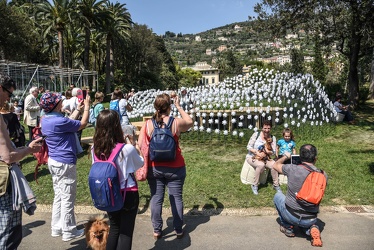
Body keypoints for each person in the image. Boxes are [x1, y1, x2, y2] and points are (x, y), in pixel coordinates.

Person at [138, 93, 193, 240]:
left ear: (155, 107)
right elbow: (190, 121)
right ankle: (178, 229)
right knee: (176, 198)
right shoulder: (176, 123)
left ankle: (157, 230)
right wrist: (179, 106)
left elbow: (140, 144)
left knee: (156, 198)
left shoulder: (148, 124)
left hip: (155, 167)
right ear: (169, 107)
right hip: (176, 166)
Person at [39, 92, 90, 242]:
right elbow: (82, 124)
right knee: (68, 197)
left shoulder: (47, 119)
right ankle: (69, 230)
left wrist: (78, 109)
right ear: (55, 105)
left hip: (54, 161)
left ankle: (56, 227)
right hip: (65, 163)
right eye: (60, 101)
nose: (62, 103)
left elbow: (69, 121)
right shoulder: (58, 121)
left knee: (59, 195)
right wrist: (87, 108)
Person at [0, 74, 42, 249]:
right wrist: (29, 150)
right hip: (3, 181)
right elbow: (8, 156)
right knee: (8, 231)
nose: (10, 99)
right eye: (9, 94)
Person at [92, 109, 144, 249]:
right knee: (125, 232)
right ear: (117, 126)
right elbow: (140, 163)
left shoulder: (95, 149)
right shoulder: (126, 149)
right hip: (128, 192)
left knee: (114, 228)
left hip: (108, 193)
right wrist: (135, 145)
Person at [272, 144, 327, 247]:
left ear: (300, 157)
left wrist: (285, 156)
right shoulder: (323, 175)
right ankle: (311, 228)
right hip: (311, 218)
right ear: (315, 159)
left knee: (278, 196)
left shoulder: (292, 169)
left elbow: (275, 165)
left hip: (291, 215)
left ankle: (288, 227)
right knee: (307, 222)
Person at [246, 120, 280, 195]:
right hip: (253, 157)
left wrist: (267, 152)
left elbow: (273, 151)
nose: (267, 130)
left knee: (274, 164)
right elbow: (248, 147)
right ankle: (255, 185)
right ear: (262, 128)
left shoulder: (272, 138)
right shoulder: (256, 134)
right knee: (260, 165)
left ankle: (276, 185)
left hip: (266, 158)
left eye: (268, 128)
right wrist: (257, 152)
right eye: (265, 128)